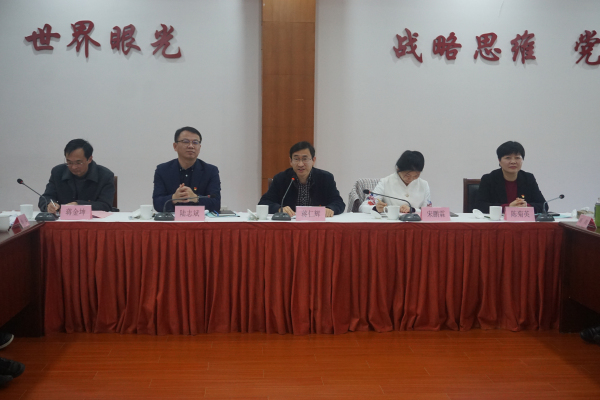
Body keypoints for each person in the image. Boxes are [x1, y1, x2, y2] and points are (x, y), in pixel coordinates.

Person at [258, 141, 345, 217]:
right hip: (290, 224)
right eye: (296, 159)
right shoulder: (281, 178)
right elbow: (264, 202)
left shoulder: (325, 178)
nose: (300, 164)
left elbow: (338, 202)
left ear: (313, 160)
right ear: (290, 161)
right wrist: (279, 208)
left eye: (305, 159)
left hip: (317, 224)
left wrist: (330, 208)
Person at [153, 126, 221, 213]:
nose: (191, 146)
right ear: (175, 146)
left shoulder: (211, 171)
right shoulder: (162, 170)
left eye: (195, 142)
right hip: (172, 220)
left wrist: (196, 198)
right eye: (185, 141)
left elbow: (216, 204)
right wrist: (174, 198)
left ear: (199, 147)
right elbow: (157, 203)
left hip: (200, 220)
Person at [39, 139, 115, 213]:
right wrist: (48, 205)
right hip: (63, 220)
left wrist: (79, 205)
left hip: (94, 220)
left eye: (78, 163)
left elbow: (105, 205)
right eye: (69, 162)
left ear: (89, 159)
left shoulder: (105, 176)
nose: (73, 167)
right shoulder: (58, 172)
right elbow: (46, 197)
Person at [474, 141, 546, 214]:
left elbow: (544, 205)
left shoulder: (528, 178)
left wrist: (526, 206)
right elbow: (479, 205)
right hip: (499, 220)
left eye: (517, 158)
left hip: (521, 219)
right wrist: (508, 207)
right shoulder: (489, 179)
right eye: (508, 158)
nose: (513, 162)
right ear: (499, 161)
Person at [359, 150, 431, 214]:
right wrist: (376, 208)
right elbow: (363, 207)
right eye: (407, 175)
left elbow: (429, 212)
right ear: (398, 169)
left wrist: (413, 210)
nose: (411, 179)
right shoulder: (385, 182)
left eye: (416, 175)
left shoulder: (424, 185)